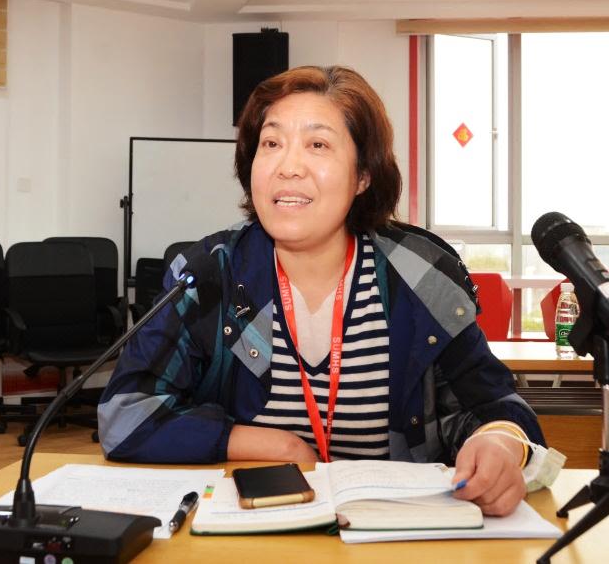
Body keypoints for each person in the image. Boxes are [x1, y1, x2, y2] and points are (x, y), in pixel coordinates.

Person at [99, 65, 544, 516]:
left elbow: (497, 405)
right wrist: (272, 444)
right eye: (271, 143)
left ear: (363, 175)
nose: (288, 167)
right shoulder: (212, 273)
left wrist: (501, 443)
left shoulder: (419, 274)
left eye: (318, 145)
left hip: (395, 531)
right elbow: (124, 413)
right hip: (255, 528)